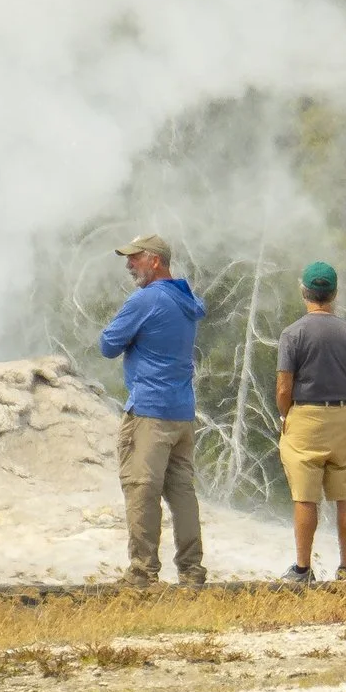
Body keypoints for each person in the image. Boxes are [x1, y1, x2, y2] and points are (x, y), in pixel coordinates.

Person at [97, 233, 208, 587]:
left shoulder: (146, 300)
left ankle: (143, 572)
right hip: (182, 412)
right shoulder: (185, 298)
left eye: (135, 258)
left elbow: (108, 345)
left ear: (155, 261)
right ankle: (191, 571)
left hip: (149, 411)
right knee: (182, 493)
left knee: (141, 487)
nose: (129, 265)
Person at [275, 260, 346, 582]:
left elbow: (284, 386)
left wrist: (287, 415)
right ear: (335, 294)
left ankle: (302, 569)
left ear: (304, 292)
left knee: (305, 495)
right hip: (344, 416)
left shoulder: (293, 334)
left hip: (307, 415)